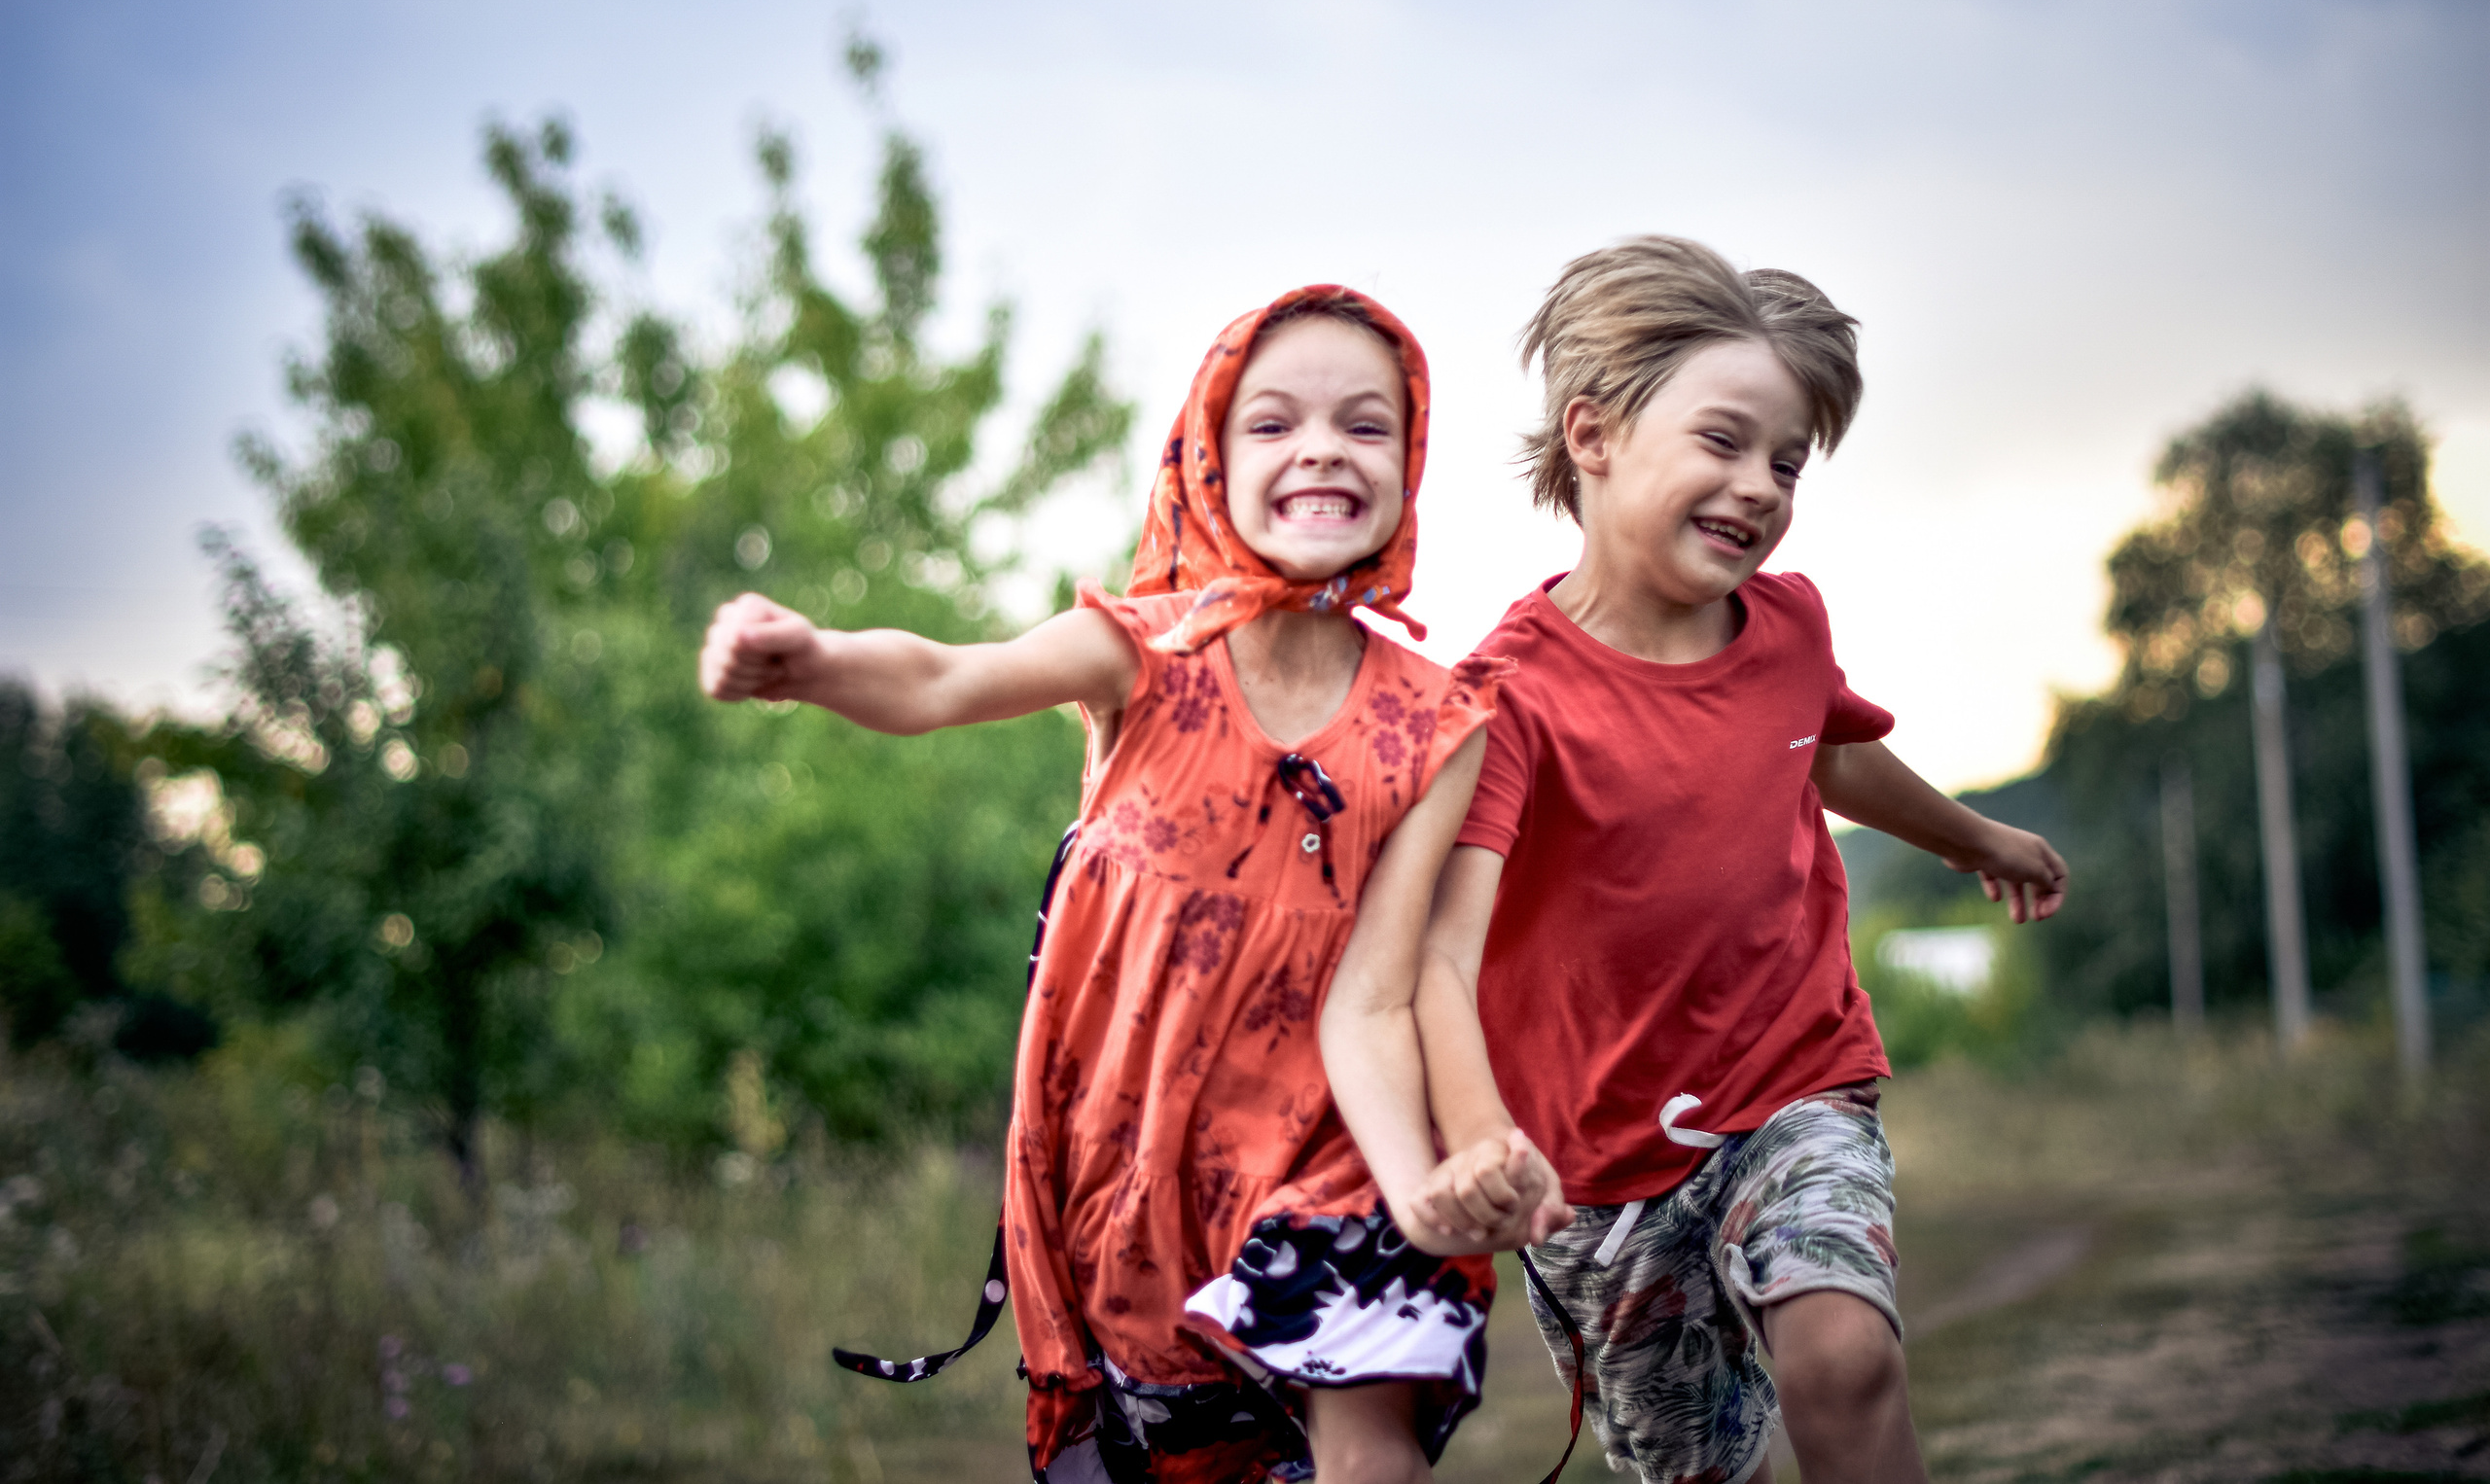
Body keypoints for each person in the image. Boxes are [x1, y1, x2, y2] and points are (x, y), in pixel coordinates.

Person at [699, 284, 1552, 1484]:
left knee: (1370, 1453)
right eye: (1273, 423)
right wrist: (816, 662)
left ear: (1410, 464)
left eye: (1367, 425)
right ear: (1207, 455)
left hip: (1329, 1150)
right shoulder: (1142, 651)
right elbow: (946, 677)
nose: (1321, 448)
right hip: (1132, 1158)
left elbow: (1377, 997)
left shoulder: (1438, 724)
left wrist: (1421, 1193)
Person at [1361, 237, 2069, 1484]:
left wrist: (1978, 840)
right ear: (1592, 437)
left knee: (1842, 1355)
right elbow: (1442, 956)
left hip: (1791, 1085)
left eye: (1787, 462)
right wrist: (1477, 1140)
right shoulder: (1506, 701)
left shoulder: (1788, 626)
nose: (1760, 486)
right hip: (1601, 1175)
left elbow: (1827, 757)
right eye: (1723, 442)